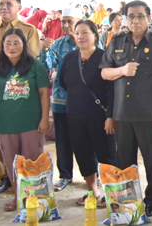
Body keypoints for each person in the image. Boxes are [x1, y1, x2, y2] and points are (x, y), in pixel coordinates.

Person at [100, 0, 152, 217]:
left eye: (140, 16)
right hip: (122, 114)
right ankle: (128, 199)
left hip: (149, 114)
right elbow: (105, 73)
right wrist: (123, 70)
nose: (135, 20)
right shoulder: (116, 41)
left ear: (148, 18)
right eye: (131, 16)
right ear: (125, 18)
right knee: (124, 161)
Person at [0, 27, 50, 211]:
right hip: (5, 124)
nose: (12, 47)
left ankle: (35, 199)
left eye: (16, 43)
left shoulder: (35, 65)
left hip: (31, 123)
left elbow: (44, 93)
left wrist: (44, 119)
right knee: (13, 164)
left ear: (24, 45)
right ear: (2, 45)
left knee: (32, 163)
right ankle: (18, 197)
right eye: (8, 43)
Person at [0, 0, 41, 195]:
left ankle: (27, 177)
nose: (4, 7)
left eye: (9, 4)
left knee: (24, 137)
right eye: (1, 4)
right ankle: (4, 176)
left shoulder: (29, 30)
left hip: (19, 93)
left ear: (19, 7)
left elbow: (30, 60)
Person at [59, 19, 115, 208]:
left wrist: (111, 116)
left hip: (101, 117)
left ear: (95, 35)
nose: (81, 36)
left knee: (106, 155)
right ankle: (92, 192)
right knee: (82, 154)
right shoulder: (69, 58)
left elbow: (113, 89)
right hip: (75, 115)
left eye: (85, 32)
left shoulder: (105, 57)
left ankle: (111, 194)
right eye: (78, 33)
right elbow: (63, 82)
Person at [40, 7, 85, 192]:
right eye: (64, 21)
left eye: (70, 21)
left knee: (86, 140)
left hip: (85, 102)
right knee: (63, 140)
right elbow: (47, 65)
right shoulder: (58, 44)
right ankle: (65, 176)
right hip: (61, 100)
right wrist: (44, 50)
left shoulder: (91, 42)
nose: (66, 25)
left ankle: (92, 176)